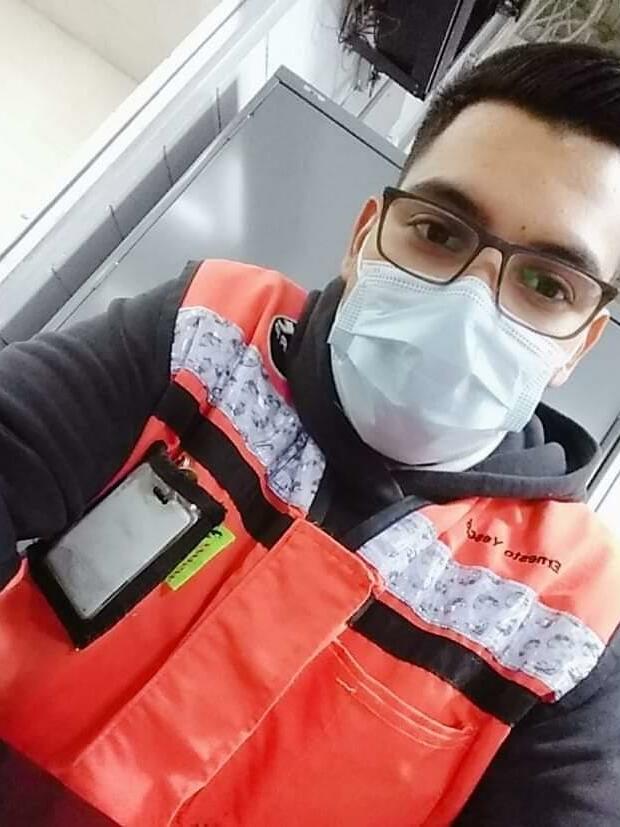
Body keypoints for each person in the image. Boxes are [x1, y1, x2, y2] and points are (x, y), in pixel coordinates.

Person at [0, 40, 619, 826]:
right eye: (439, 231)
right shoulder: (209, 334)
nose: (469, 303)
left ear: (578, 344)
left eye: (544, 283)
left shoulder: (570, 612)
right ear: (365, 238)